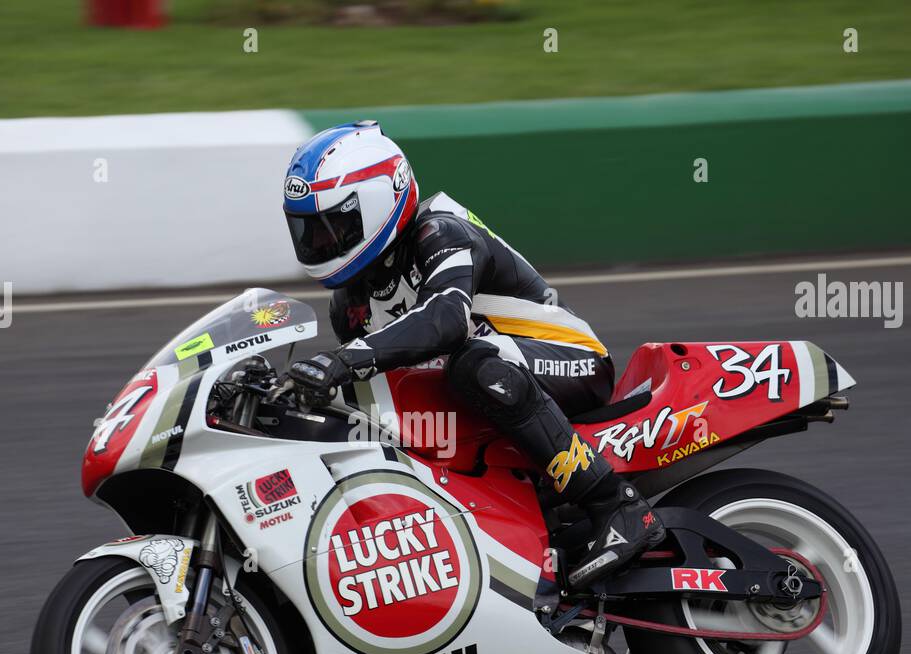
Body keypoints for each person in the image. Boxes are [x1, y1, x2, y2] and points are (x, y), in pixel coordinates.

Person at [281, 121, 663, 587]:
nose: (321, 244)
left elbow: (446, 318)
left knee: (474, 364)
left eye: (334, 226)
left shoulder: (440, 232)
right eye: (311, 232)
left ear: (381, 200)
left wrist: (343, 360)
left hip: (571, 360)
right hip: (499, 388)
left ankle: (615, 503)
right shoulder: (350, 304)